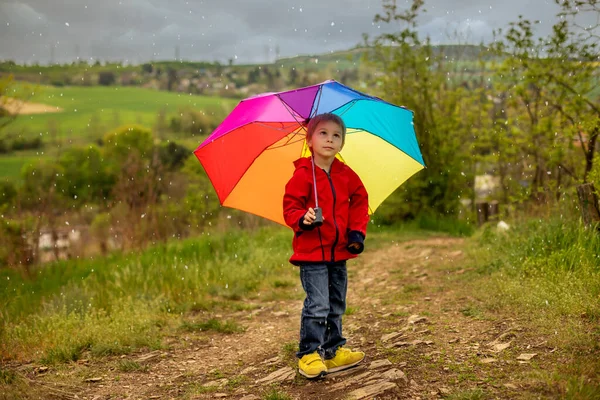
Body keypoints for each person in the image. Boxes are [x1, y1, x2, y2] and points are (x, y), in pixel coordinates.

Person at [283, 113, 369, 379]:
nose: (330, 139)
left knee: (335, 302)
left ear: (342, 143)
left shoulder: (346, 174)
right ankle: (309, 353)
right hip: (311, 254)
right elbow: (290, 207)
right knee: (318, 304)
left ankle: (333, 351)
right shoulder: (302, 175)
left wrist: (356, 233)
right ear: (309, 140)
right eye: (322, 133)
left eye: (336, 135)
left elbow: (359, 201)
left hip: (339, 251)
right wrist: (303, 218)